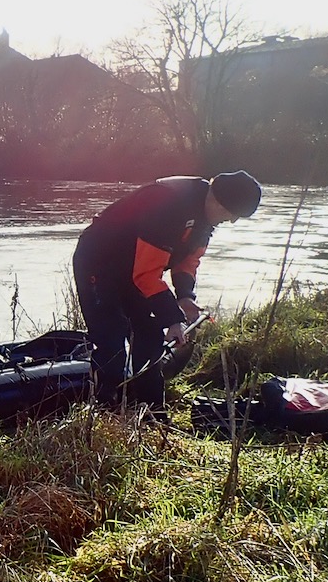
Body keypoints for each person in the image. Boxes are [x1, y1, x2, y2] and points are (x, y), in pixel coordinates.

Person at [73, 171, 262, 411]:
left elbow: (188, 261)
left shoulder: (206, 216)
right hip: (99, 261)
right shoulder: (170, 204)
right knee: (111, 338)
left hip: (136, 267)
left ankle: (151, 411)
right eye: (230, 214)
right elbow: (147, 275)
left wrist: (185, 297)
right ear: (216, 198)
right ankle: (104, 411)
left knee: (150, 334)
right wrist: (173, 319)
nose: (232, 220)